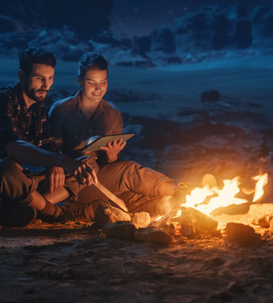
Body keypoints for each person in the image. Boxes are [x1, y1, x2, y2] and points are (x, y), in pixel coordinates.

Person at [0, 47, 107, 228]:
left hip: (13, 188)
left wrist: (57, 163)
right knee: (4, 168)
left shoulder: (37, 109)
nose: (46, 85)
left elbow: (49, 147)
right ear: (22, 76)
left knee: (86, 163)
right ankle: (56, 213)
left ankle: (22, 209)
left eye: (50, 78)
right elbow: (13, 146)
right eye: (39, 78)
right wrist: (61, 161)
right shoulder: (0, 100)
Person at [48, 52, 188, 216]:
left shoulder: (112, 113)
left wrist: (112, 156)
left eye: (103, 82)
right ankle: (181, 192)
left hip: (102, 180)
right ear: (80, 80)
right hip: (73, 184)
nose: (98, 89)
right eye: (91, 83)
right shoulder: (61, 110)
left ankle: (177, 206)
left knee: (134, 198)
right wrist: (57, 164)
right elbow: (50, 151)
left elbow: (111, 165)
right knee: (130, 172)